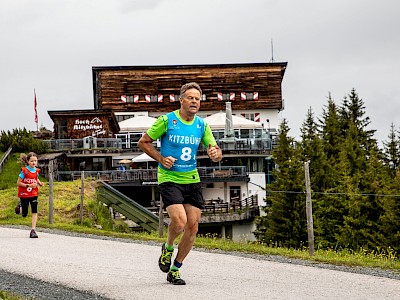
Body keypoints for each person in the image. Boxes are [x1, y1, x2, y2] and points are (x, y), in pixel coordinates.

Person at [138, 82, 222, 285]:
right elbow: (143, 142)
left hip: (191, 179)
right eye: (191, 98)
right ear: (181, 100)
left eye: (198, 99)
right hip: (169, 178)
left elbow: (216, 152)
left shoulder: (202, 125)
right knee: (179, 221)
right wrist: (160, 158)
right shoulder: (168, 121)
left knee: (193, 227)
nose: (194, 101)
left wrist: (215, 153)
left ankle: (175, 269)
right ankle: (167, 248)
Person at [17, 152, 44, 238]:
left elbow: (36, 178)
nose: (34, 163)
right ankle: (19, 206)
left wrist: (39, 183)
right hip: (24, 194)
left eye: (35, 161)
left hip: (33, 193)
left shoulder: (36, 171)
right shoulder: (24, 171)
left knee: (34, 210)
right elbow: (18, 183)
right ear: (28, 161)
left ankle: (33, 230)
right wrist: (28, 185)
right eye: (32, 161)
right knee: (24, 214)